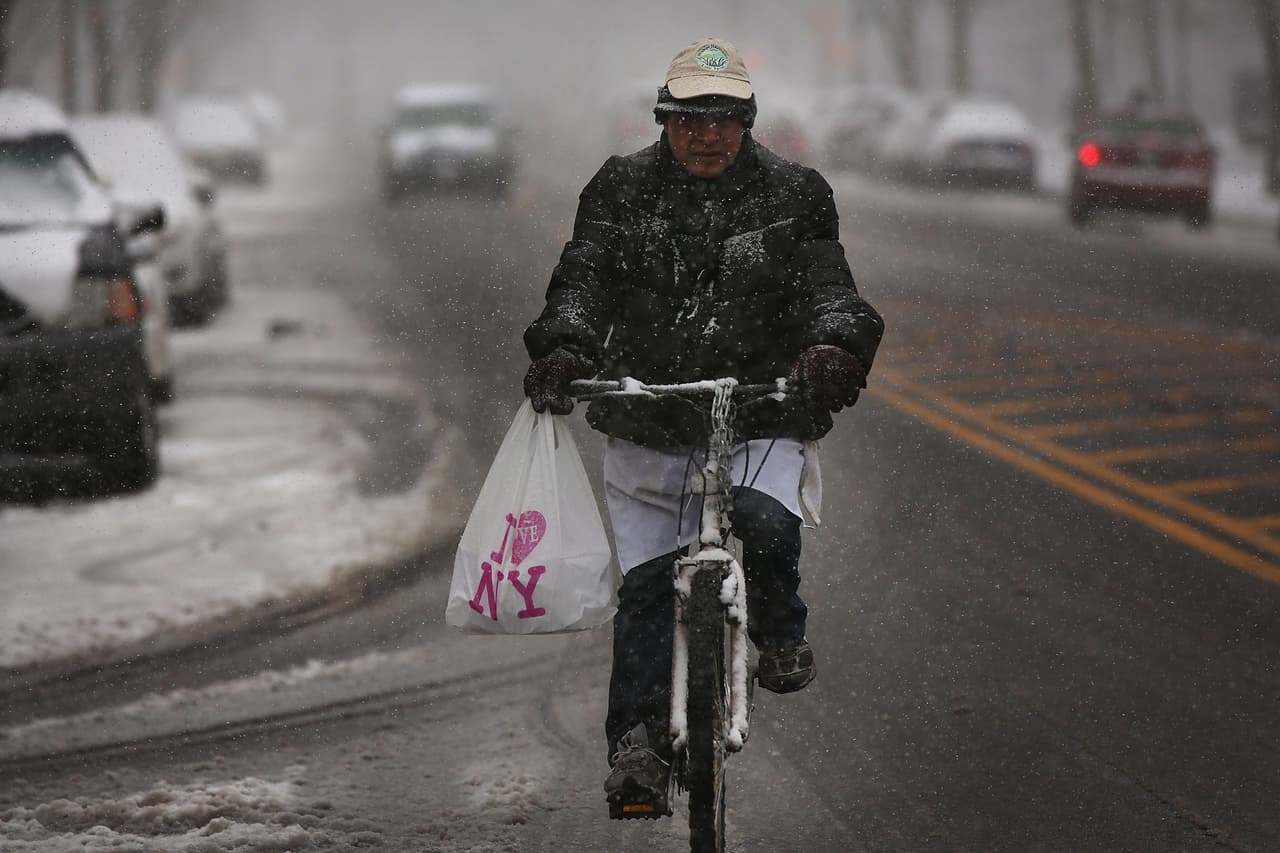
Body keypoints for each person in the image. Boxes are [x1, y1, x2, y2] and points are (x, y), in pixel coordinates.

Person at [522, 37, 884, 814]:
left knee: (764, 520)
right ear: (664, 121)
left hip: (762, 409)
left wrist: (833, 347)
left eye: (723, 119)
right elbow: (582, 282)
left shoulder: (796, 194)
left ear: (748, 121)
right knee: (648, 593)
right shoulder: (619, 190)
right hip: (648, 416)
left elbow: (832, 289)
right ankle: (640, 752)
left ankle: (780, 628)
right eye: (690, 119)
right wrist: (561, 348)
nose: (708, 135)